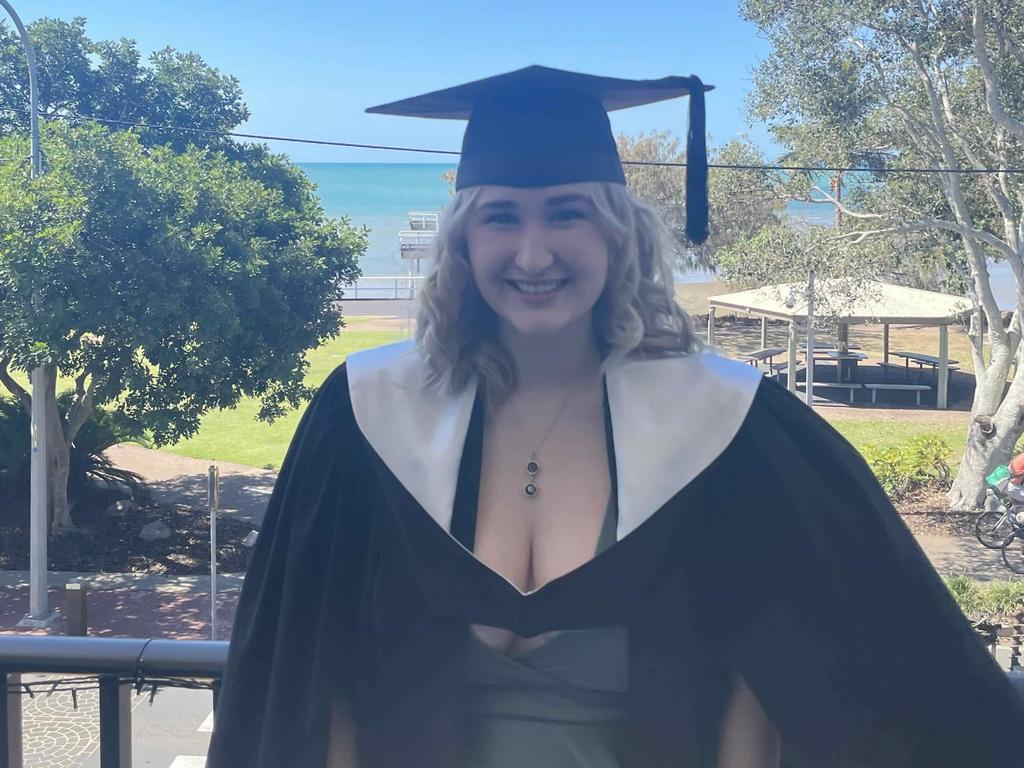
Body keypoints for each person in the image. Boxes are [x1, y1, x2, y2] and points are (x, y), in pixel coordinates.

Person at [206, 66, 1023, 768]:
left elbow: (813, 656)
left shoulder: (727, 426)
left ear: (618, 232)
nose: (533, 254)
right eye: (501, 217)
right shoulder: (364, 419)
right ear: (461, 241)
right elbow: (311, 675)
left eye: (567, 212)